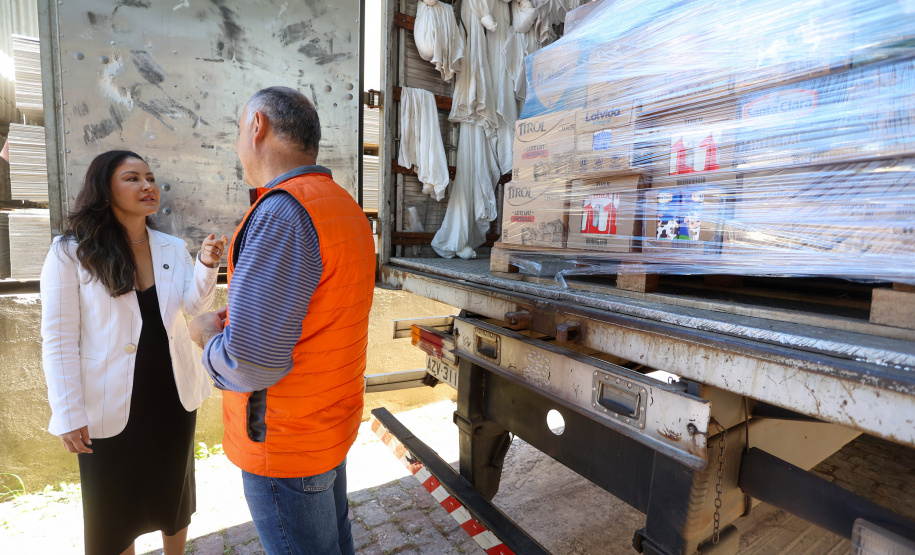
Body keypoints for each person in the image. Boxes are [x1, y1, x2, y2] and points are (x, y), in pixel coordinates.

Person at [187, 86, 376, 555]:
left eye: (237, 130)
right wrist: (243, 316)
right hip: (326, 425)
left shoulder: (281, 213)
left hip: (285, 442)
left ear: (258, 126)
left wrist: (208, 336)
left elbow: (249, 364)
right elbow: (314, 309)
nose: (237, 145)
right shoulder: (343, 208)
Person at [40, 150, 227, 555]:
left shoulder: (172, 246)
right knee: (113, 510)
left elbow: (193, 308)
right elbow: (57, 338)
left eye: (150, 177)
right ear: (104, 189)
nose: (147, 186)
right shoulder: (70, 252)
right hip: (107, 398)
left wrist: (206, 266)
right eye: (132, 178)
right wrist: (68, 412)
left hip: (171, 393)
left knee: (173, 494)